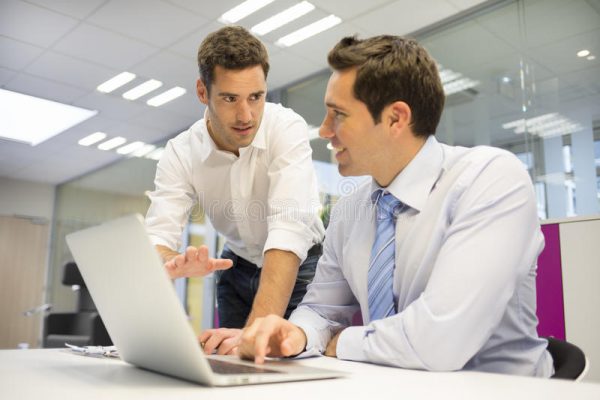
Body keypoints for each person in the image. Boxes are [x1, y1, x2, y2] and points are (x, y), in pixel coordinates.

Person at [238, 35, 554, 377]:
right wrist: (296, 334)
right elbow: (321, 309)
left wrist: (343, 341)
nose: (326, 130)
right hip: (397, 386)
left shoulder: (490, 179)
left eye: (338, 114)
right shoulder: (351, 209)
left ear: (395, 119)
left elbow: (439, 342)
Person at [145, 26, 325, 354]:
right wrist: (173, 261)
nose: (246, 116)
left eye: (255, 97)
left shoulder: (286, 127)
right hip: (236, 267)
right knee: (233, 365)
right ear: (203, 91)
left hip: (300, 268)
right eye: (230, 98)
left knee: (290, 364)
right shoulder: (181, 151)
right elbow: (157, 237)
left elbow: (288, 229)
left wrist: (252, 334)